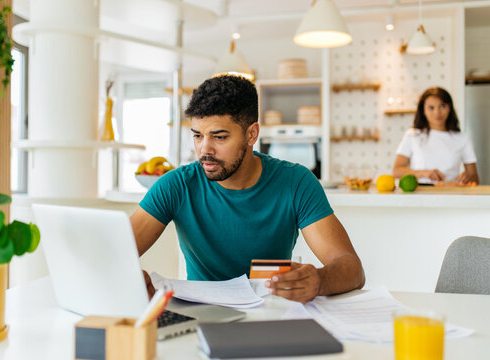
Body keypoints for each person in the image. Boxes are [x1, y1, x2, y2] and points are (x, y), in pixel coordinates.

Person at [131, 75, 365, 304]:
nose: (204, 150)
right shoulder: (176, 185)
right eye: (197, 136)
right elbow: (115, 252)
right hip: (201, 316)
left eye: (219, 137)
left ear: (252, 134)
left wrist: (319, 280)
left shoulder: (295, 181)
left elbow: (352, 269)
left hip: (272, 312)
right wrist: (129, 279)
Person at [393, 87, 479, 184]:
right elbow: (396, 171)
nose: (437, 112)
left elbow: (474, 177)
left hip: (451, 194)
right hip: (419, 195)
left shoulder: (462, 138)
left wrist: (468, 177)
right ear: (423, 111)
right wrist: (423, 173)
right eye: (431, 108)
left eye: (442, 106)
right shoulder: (413, 135)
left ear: (450, 108)